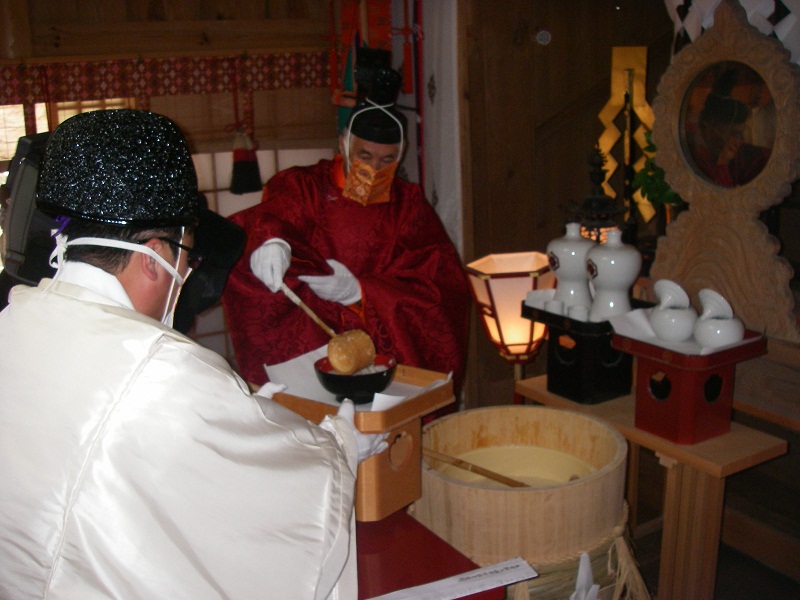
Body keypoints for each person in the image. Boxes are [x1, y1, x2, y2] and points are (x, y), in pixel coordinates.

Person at [0, 109, 385, 599]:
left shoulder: (13, 323)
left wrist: (240, 412)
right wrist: (340, 447)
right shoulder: (162, 372)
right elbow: (288, 509)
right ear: (156, 258)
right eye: (188, 257)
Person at [222, 68, 470, 392]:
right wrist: (273, 242)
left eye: (388, 159)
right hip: (308, 336)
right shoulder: (306, 185)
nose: (374, 169)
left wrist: (361, 292)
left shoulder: (409, 207)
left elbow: (440, 288)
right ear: (343, 143)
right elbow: (279, 212)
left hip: (378, 345)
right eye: (364, 155)